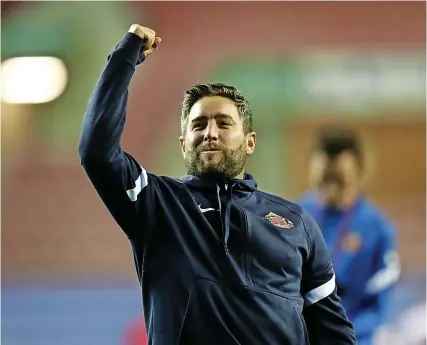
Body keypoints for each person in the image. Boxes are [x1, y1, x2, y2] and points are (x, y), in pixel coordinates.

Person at [78, 24, 356, 345]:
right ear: (184, 144)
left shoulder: (297, 223)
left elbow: (334, 331)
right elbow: (96, 151)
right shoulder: (157, 204)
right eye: (199, 125)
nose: (210, 133)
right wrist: (124, 56)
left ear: (249, 143)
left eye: (224, 123)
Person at [298, 129, 400, 345]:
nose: (330, 188)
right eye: (324, 179)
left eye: (339, 180)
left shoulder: (377, 229)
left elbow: (380, 305)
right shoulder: (290, 218)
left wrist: (341, 335)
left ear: (360, 171)